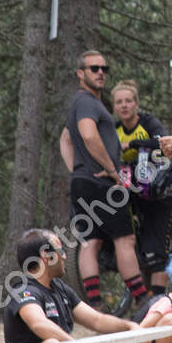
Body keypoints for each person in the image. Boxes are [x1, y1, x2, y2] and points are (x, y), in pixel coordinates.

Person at [1, 229, 145, 343]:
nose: (64, 256)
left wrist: (131, 327)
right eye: (60, 251)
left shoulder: (60, 288)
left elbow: (97, 320)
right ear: (46, 256)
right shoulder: (23, 290)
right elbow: (39, 324)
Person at [61, 49, 148, 312]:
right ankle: (142, 299)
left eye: (104, 69)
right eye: (94, 69)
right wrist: (111, 168)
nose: (100, 73)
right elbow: (88, 135)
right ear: (81, 74)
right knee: (125, 240)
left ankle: (95, 305)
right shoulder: (87, 101)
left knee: (91, 241)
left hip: (84, 181)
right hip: (102, 183)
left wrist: (77, 169)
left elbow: (65, 139)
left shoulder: (81, 102)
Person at [106, 80, 172, 300]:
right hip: (130, 189)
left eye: (129, 101)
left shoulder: (148, 122)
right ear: (114, 107)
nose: (124, 106)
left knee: (157, 246)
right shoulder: (114, 129)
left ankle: (158, 297)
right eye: (119, 102)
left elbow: (164, 142)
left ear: (136, 104)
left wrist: (133, 145)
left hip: (158, 191)